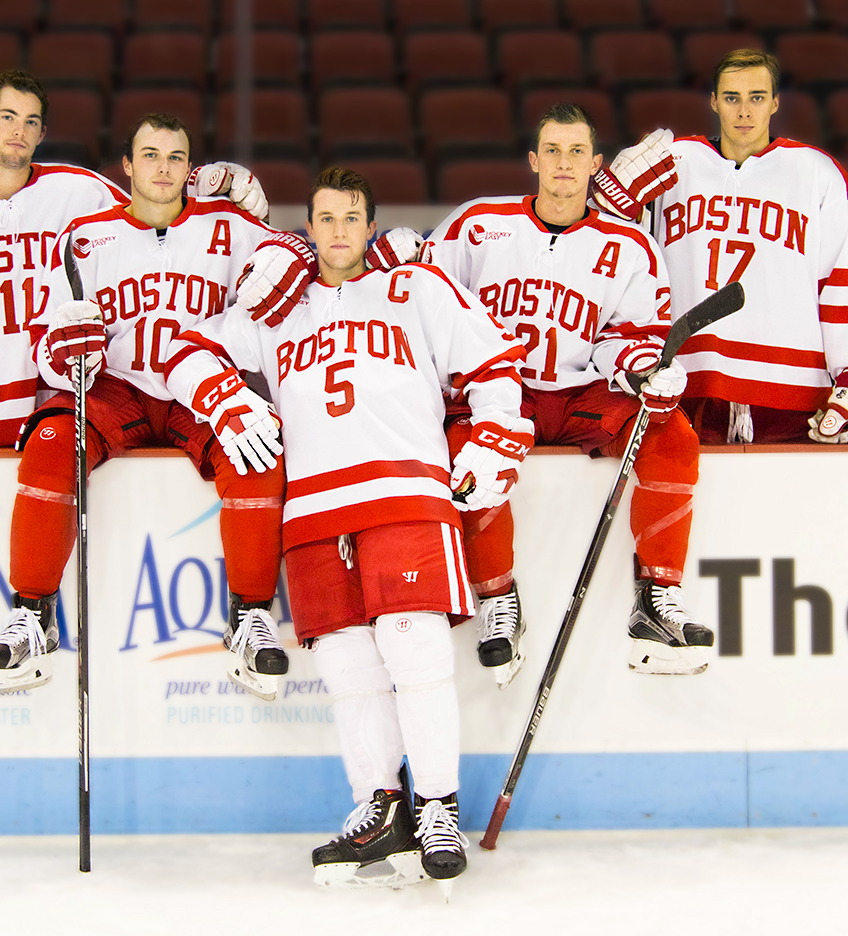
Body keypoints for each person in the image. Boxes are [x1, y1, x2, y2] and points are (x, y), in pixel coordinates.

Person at [162, 168, 532, 894]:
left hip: (404, 495)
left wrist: (493, 437)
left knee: (414, 652)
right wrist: (226, 402)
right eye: (324, 218)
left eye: (350, 217)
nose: (337, 231)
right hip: (313, 512)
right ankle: (380, 808)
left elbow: (492, 362)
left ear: (370, 225)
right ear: (308, 229)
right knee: (349, 675)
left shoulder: (416, 288)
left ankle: (436, 809)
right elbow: (181, 350)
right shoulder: (275, 310)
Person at [0, 114, 289, 701]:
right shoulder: (87, 236)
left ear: (190, 168)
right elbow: (48, 340)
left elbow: (285, 280)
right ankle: (32, 614)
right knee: (49, 445)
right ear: (127, 165)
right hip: (116, 388)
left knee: (261, 452)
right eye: (150, 155)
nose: (162, 168)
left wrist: (270, 224)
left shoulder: (232, 227)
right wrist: (63, 356)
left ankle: (250, 616)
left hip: (203, 388)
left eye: (175, 156)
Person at [422, 103, 714, 676]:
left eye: (577, 151)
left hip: (584, 395)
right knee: (463, 457)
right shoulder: (477, 225)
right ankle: (498, 599)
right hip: (501, 393)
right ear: (533, 160)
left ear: (595, 163)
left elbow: (630, 336)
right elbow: (429, 310)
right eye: (552, 150)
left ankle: (655, 601)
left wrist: (643, 370)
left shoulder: (630, 245)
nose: (563, 162)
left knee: (672, 435)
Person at [0, 70, 271, 447]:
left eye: (31, 122)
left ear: (43, 133)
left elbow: (156, 220)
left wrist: (212, 189)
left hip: (50, 410)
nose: (18, 132)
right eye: (7, 118)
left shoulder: (79, 191)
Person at [591, 49, 848, 445]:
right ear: (714, 101)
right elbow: (613, 264)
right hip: (684, 378)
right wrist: (610, 208)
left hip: (790, 386)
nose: (744, 111)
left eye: (756, 97)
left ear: (775, 101)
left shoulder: (817, 172)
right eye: (732, 97)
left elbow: (843, 280)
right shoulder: (674, 162)